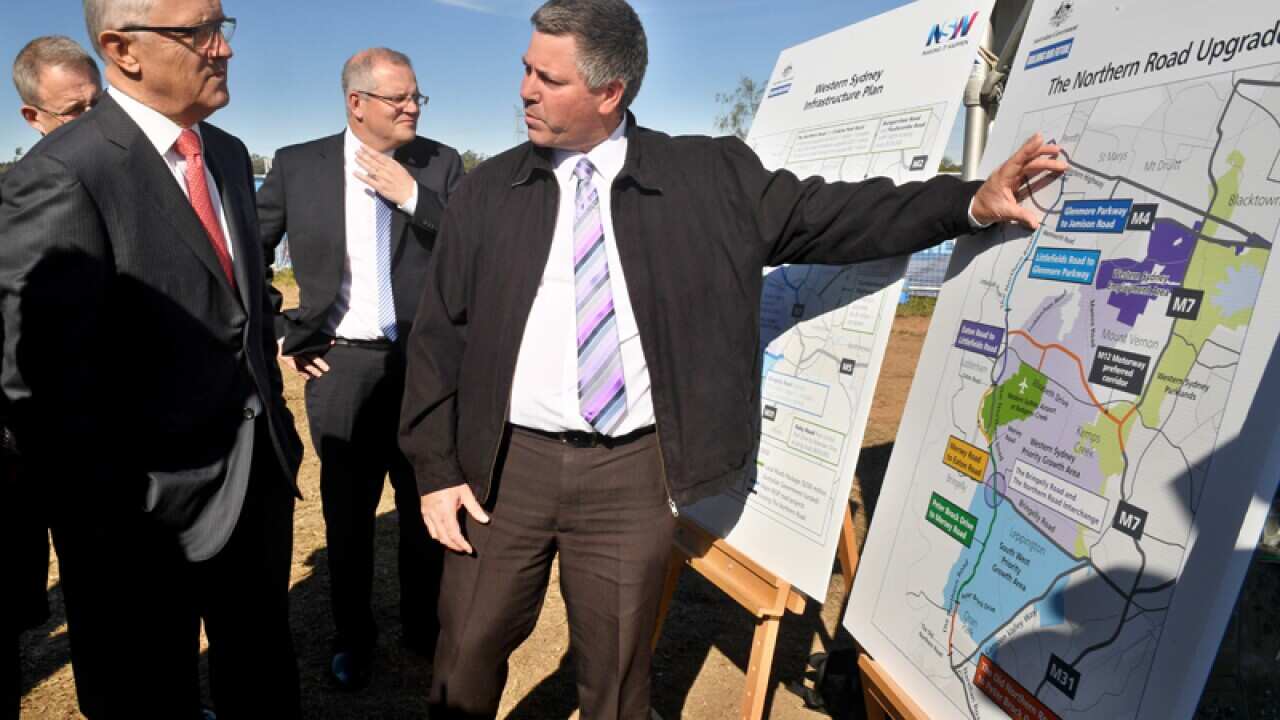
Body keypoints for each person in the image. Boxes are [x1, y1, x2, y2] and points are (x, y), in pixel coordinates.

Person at [399, 0, 1067, 716]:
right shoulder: (488, 191)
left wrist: (970, 202)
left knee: (617, 678)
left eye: (548, 78)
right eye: (527, 70)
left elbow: (833, 215)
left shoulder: (708, 176)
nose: (525, 90)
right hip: (505, 469)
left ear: (610, 91)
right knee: (465, 653)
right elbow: (439, 336)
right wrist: (437, 472)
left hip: (631, 474)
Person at [0, 1, 304, 718]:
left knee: (262, 675)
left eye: (222, 26)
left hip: (254, 482)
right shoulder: (62, 172)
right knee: (148, 694)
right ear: (123, 49)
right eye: (200, 31)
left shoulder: (226, 153)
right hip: (139, 524)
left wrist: (273, 427)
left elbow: (241, 304)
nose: (223, 49)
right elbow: (35, 380)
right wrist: (118, 509)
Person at [257, 47, 462, 689]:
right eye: (400, 97)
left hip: (424, 367)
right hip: (340, 367)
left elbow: (475, 249)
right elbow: (245, 258)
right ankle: (352, 636)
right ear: (357, 103)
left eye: (417, 96)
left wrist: (414, 198)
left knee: (424, 504)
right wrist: (286, 332)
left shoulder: (440, 163)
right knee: (348, 515)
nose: (413, 107)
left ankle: (423, 628)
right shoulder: (298, 165)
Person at [4, 35, 103, 719]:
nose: (90, 124)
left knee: (102, 589)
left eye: (99, 107)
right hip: (26, 439)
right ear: (31, 116)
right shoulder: (19, 193)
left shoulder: (132, 176)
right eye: (73, 113)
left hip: (103, 440)